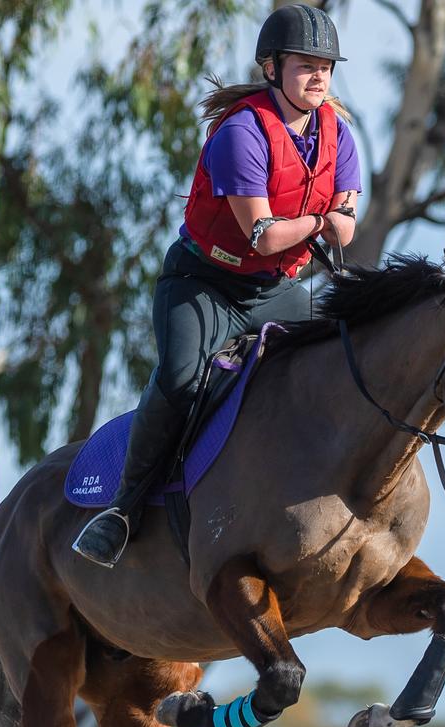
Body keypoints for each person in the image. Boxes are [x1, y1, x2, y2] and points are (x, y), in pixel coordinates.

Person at [73, 3, 362, 567]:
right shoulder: (241, 134)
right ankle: (124, 510)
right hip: (202, 284)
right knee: (182, 379)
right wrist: (318, 220)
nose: (319, 74)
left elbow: (346, 227)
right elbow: (264, 238)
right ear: (271, 68)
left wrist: (316, 223)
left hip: (274, 289)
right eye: (306, 63)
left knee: (331, 370)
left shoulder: (338, 135)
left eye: (326, 64)